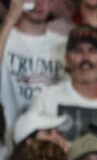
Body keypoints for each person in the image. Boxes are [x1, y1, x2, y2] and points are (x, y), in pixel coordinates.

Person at [0, 0, 67, 129]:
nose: (39, 4)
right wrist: (11, 17)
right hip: (8, 135)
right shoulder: (4, 38)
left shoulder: (64, 44)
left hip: (52, 133)